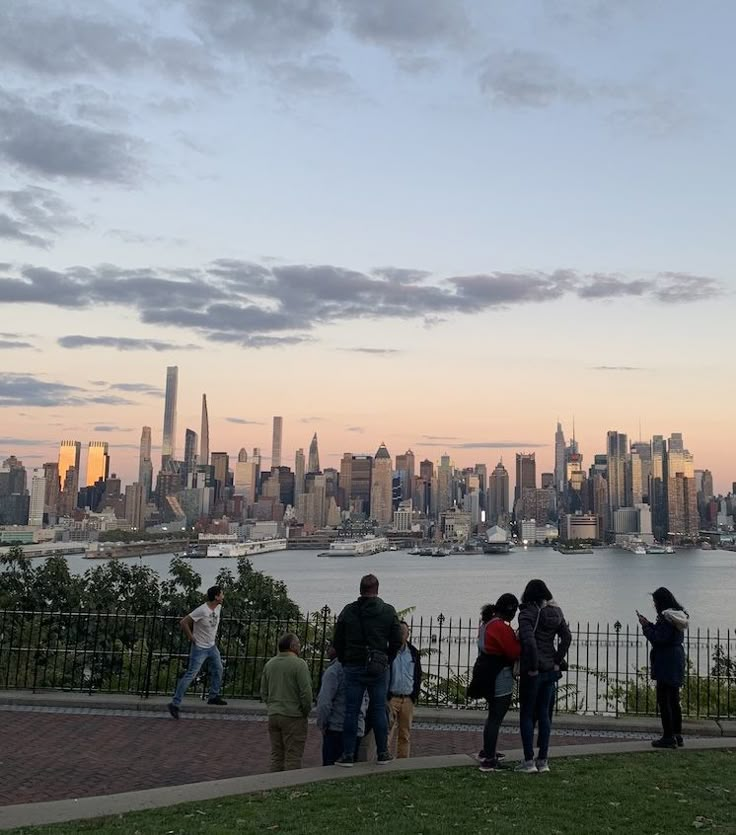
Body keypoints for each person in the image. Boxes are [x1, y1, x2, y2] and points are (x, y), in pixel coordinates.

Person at [332, 573, 403, 766]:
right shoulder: (388, 611)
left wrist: (345, 659)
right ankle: (382, 752)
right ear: (377, 590)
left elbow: (337, 640)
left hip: (353, 665)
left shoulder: (348, 611)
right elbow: (397, 640)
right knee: (379, 708)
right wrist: (387, 658)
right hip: (378, 666)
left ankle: (348, 754)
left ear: (360, 590)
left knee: (351, 710)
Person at [516, 579, 571, 774]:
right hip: (551, 670)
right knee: (545, 715)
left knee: (527, 714)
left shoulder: (526, 614)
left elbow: (529, 642)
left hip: (534, 671)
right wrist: (557, 660)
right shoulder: (556, 612)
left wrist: (532, 665)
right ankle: (543, 760)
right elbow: (567, 637)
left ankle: (529, 760)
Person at [474, 594, 521, 772]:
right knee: (496, 716)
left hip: (485, 673)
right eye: (515, 610)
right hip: (499, 676)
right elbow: (513, 652)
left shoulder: (486, 623)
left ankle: (488, 751)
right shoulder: (501, 627)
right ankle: (489, 759)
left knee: (492, 715)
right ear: (510, 610)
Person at [638, 587, 689, 749]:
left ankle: (668, 737)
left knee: (664, 698)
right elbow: (665, 634)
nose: (654, 605)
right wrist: (651, 624)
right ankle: (677, 734)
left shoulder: (666, 617)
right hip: (676, 657)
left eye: (655, 602)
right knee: (674, 699)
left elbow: (659, 638)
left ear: (660, 602)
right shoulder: (677, 615)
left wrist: (646, 628)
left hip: (666, 659)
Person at [168, 585, 227, 719]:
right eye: (221, 594)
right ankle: (175, 703)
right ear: (216, 596)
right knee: (191, 674)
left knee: (218, 668)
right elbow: (184, 622)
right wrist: (191, 637)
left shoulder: (218, 607)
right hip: (199, 648)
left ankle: (214, 696)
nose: (223, 597)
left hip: (212, 646)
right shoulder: (202, 610)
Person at [260, 633, 313, 772]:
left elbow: (263, 692)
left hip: (274, 714)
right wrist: (305, 711)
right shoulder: (299, 664)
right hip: (293, 715)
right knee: (293, 756)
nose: (300, 647)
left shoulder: (270, 664)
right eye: (299, 644)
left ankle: (274, 784)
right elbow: (306, 693)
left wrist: (272, 706)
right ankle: (289, 788)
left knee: (277, 755)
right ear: (293, 646)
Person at [316, 643, 369, 765]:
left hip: (336, 727)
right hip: (357, 727)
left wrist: (322, 724)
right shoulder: (362, 670)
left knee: (329, 768)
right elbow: (366, 698)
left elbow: (324, 702)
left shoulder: (334, 671)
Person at [387, 620, 422, 758]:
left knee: (405, 734)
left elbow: (418, 674)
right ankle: (385, 759)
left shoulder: (413, 652)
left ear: (408, 634)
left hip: (407, 698)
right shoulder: (390, 652)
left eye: (404, 632)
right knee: (387, 733)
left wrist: (414, 695)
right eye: (399, 632)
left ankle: (403, 762)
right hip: (392, 698)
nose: (402, 634)